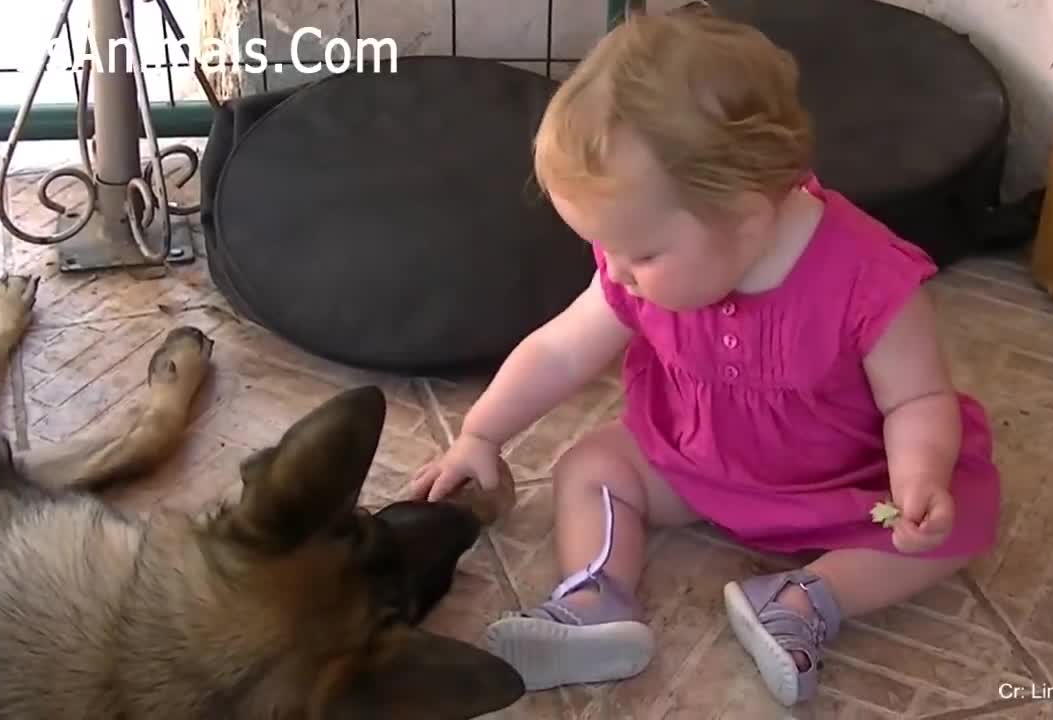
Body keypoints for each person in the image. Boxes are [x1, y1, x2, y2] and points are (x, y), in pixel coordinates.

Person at [408, 8, 1001, 707]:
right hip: (691, 460)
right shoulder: (648, 263)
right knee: (591, 467)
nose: (618, 273)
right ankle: (597, 598)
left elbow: (917, 399)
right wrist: (481, 433)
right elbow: (561, 351)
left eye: (642, 254)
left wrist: (918, 476)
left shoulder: (869, 282)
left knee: (960, 520)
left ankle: (805, 600)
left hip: (842, 482)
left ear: (746, 219)